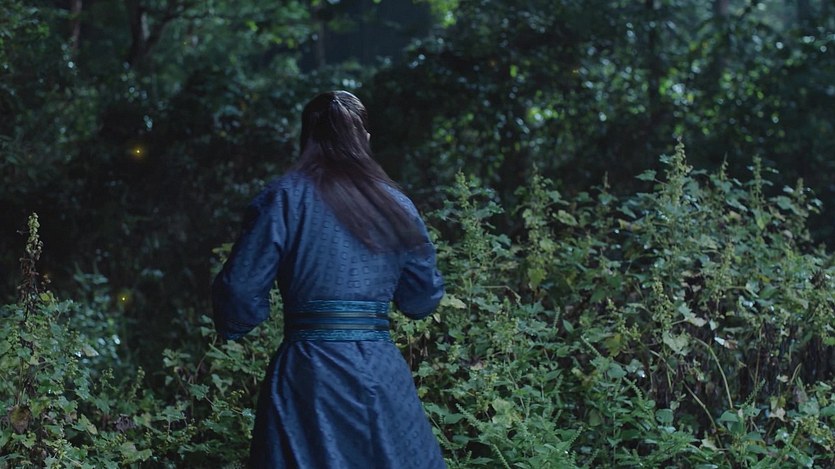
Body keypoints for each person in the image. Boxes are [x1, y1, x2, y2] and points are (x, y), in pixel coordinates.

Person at [212, 90, 446, 468]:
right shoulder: (397, 204)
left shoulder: (283, 197)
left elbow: (239, 291)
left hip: (308, 373)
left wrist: (239, 321)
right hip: (379, 372)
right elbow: (422, 298)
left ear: (306, 139)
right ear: (364, 138)